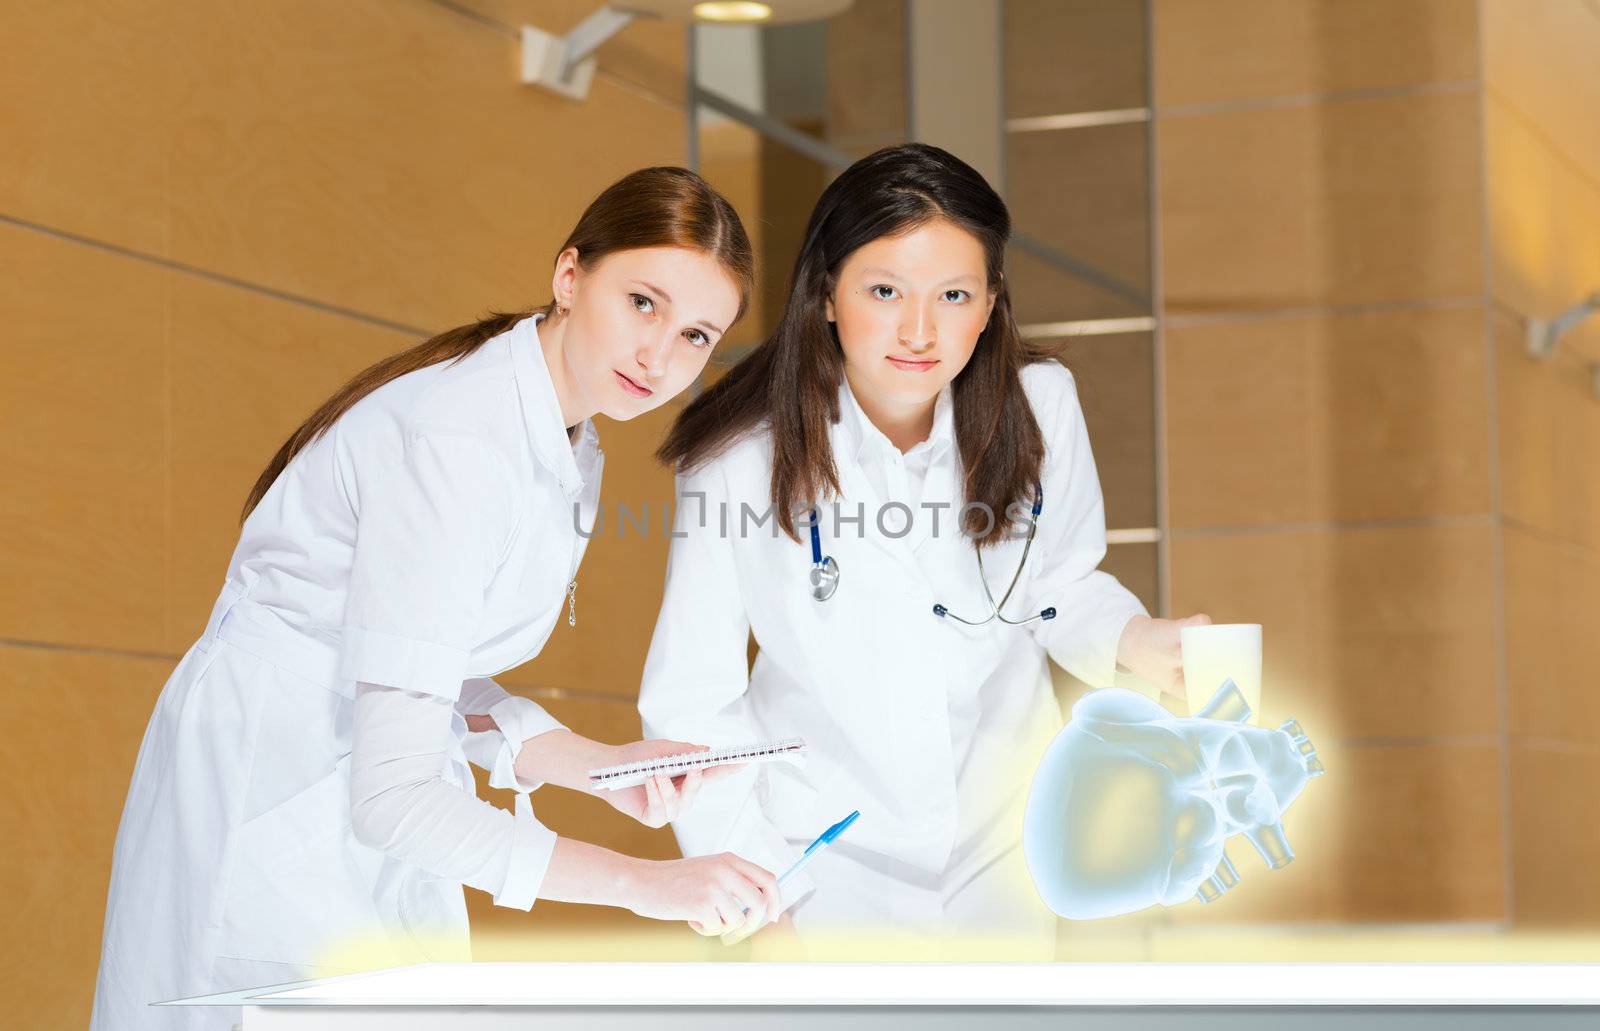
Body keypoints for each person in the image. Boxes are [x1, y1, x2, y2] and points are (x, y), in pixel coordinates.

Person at [93, 166, 781, 1031]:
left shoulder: (566, 430)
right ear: (570, 276)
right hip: (278, 784)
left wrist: (590, 763)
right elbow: (394, 797)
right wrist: (652, 885)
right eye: (643, 302)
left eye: (696, 336)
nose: (660, 356)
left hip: (339, 776)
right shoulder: (465, 442)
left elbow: (422, 662)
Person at [639, 144, 1210, 959]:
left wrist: (1133, 640)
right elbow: (693, 704)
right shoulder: (736, 460)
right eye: (883, 291)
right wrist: (763, 900)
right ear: (826, 294)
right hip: (820, 864)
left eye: (952, 295)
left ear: (989, 304)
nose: (919, 330)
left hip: (1003, 850)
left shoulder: (1039, 405)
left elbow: (1057, 583)